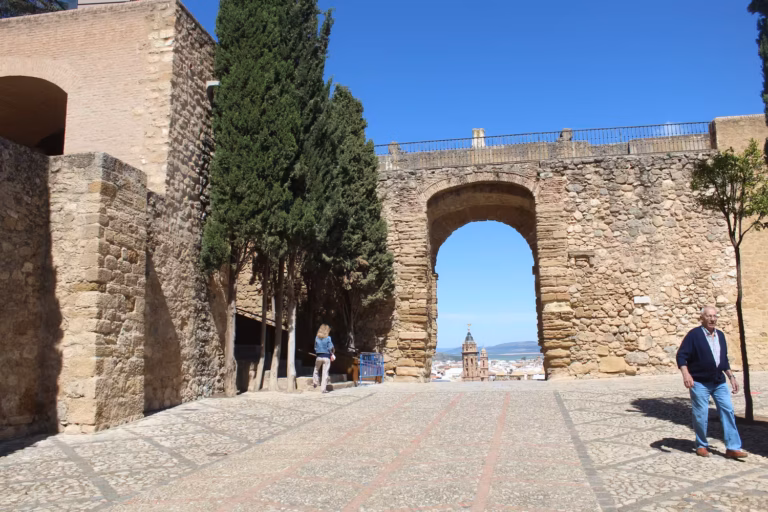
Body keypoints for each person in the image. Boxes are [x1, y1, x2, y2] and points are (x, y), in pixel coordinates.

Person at [676, 306, 748, 459]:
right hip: (700, 382)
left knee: (727, 411)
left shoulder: (720, 335)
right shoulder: (694, 335)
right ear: (702, 318)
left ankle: (732, 447)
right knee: (701, 414)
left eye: (715, 316)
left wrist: (731, 377)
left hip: (719, 382)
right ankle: (701, 445)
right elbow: (681, 356)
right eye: (708, 316)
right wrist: (686, 374)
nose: (712, 319)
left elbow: (723, 360)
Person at [313, 324, 334, 393]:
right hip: (326, 357)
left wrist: (318, 351)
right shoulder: (328, 338)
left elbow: (315, 348)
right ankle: (323, 389)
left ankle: (315, 381)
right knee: (325, 373)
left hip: (319, 356)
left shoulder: (317, 338)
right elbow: (330, 347)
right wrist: (332, 352)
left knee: (316, 369)